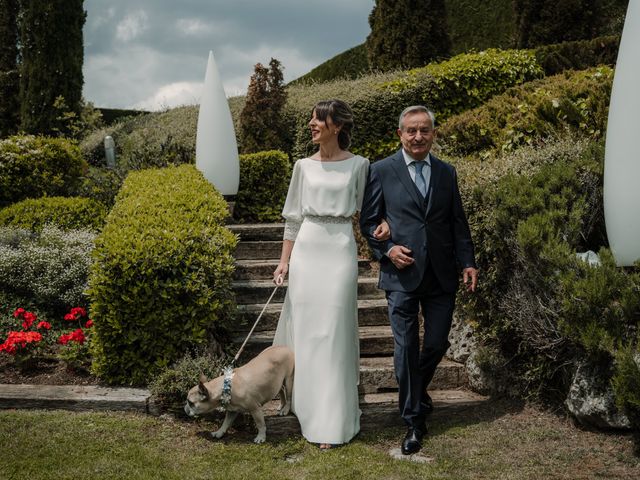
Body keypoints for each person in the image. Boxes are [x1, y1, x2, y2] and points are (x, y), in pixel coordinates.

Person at [360, 105, 478, 455]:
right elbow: (368, 223)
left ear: (433, 134)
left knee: (438, 343)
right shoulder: (381, 170)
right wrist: (388, 249)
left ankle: (413, 389)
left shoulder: (446, 172)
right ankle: (413, 420)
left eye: (424, 130)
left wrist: (467, 261)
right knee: (406, 347)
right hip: (401, 275)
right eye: (411, 130)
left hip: (442, 274)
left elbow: (458, 221)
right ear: (400, 134)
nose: (417, 136)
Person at [272, 99, 388, 449]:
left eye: (317, 119)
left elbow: (370, 211)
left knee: (334, 331)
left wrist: (383, 227)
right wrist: (283, 261)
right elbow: (293, 218)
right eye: (311, 118)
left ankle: (333, 419)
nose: (311, 124)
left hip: (339, 248)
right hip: (307, 250)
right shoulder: (302, 167)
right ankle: (305, 407)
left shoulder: (360, 165)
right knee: (308, 332)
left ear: (336, 126)